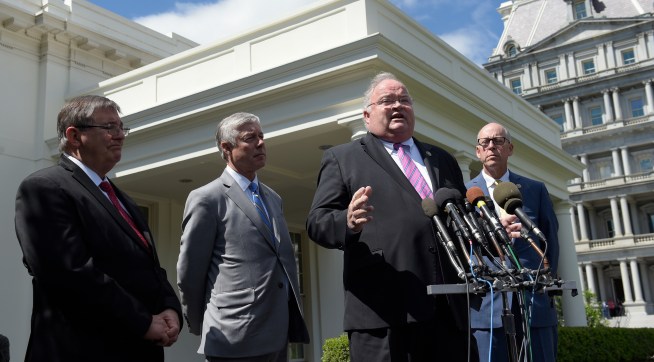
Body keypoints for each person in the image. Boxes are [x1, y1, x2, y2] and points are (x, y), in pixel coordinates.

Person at [306, 72, 478, 361]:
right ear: (366, 115)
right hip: (385, 312)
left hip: (448, 312)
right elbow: (317, 222)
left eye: (404, 100)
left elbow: (460, 216)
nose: (397, 105)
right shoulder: (343, 157)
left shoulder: (442, 158)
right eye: (386, 100)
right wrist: (347, 222)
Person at [14, 95, 182, 362]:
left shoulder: (122, 199)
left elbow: (149, 267)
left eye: (121, 128)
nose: (120, 136)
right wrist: (142, 322)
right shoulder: (45, 187)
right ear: (74, 135)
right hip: (83, 349)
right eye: (109, 128)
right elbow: (69, 271)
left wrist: (169, 308)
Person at [177, 112, 310, 361]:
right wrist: (205, 324)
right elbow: (189, 273)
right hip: (232, 336)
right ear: (226, 147)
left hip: (277, 333)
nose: (261, 143)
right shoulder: (207, 198)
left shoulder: (273, 198)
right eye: (250, 138)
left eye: (261, 136)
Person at [466, 122, 559, 362]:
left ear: (510, 148)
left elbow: (551, 242)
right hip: (487, 308)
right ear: (477, 152)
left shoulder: (535, 190)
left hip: (533, 305)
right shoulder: (464, 194)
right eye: (484, 143)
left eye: (498, 141)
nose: (491, 147)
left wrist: (544, 286)